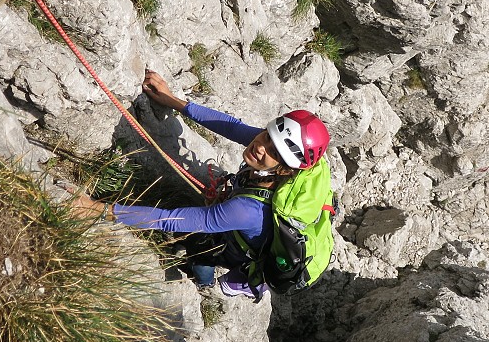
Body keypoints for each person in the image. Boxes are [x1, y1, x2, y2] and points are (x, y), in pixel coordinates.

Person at [72, 69, 330, 296]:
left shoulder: (248, 210)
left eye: (273, 152)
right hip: (240, 220)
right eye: (265, 136)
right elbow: (232, 127)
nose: (260, 147)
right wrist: (172, 101)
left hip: (238, 245)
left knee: (201, 249)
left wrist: (99, 210)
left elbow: (169, 219)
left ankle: (204, 283)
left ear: (285, 170)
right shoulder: (282, 155)